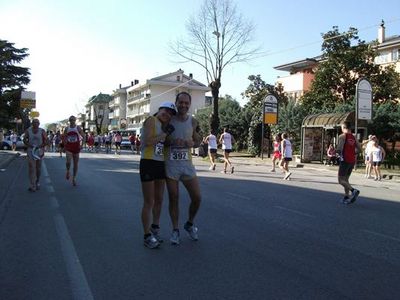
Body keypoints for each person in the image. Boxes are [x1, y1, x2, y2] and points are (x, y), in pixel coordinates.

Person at [165, 92, 202, 245]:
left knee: (197, 197)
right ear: (176, 102)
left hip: (187, 165)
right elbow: (162, 141)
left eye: (186, 103)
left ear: (189, 104)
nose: (184, 105)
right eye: (181, 102)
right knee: (174, 197)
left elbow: (199, 141)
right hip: (171, 165)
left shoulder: (193, 121)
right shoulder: (169, 120)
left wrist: (192, 143)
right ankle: (175, 230)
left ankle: (190, 223)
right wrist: (172, 141)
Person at [140, 102, 176, 249]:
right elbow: (148, 141)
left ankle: (155, 228)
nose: (167, 114)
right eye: (165, 111)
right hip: (148, 162)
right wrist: (165, 134)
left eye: (170, 113)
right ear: (159, 110)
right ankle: (146, 235)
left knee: (159, 199)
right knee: (149, 201)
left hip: (160, 163)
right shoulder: (151, 120)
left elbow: (165, 144)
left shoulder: (163, 126)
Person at [336, 121, 361, 204]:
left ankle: (353, 191)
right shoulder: (354, 137)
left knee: (340, 180)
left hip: (345, 160)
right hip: (352, 160)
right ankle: (346, 196)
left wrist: (336, 153)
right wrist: (353, 153)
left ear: (344, 127)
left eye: (341, 127)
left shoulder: (342, 136)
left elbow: (339, 149)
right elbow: (360, 149)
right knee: (346, 179)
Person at [23, 119, 47, 191]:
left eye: (37, 122)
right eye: (34, 122)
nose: (35, 124)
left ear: (39, 124)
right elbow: (24, 139)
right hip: (31, 151)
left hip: (39, 151)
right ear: (32, 123)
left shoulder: (42, 131)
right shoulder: (28, 131)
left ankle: (37, 181)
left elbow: (47, 141)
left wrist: (41, 146)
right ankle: (32, 185)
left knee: (38, 168)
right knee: (31, 167)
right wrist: (28, 145)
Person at [63, 115, 85, 186]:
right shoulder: (67, 128)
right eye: (71, 120)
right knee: (68, 162)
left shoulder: (77, 128)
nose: (72, 121)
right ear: (69, 121)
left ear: (75, 120)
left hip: (76, 147)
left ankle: (74, 178)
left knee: (75, 164)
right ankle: (68, 171)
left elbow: (83, 136)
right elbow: (64, 138)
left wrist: (82, 145)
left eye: (73, 120)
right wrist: (64, 146)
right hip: (69, 147)